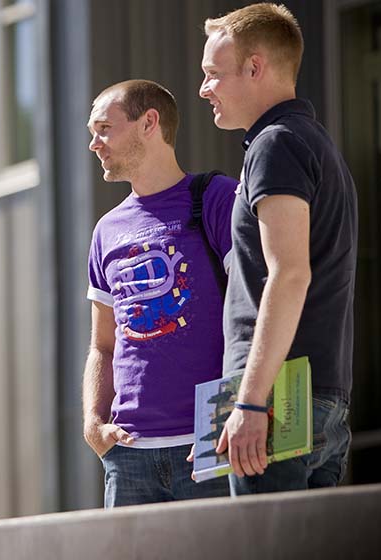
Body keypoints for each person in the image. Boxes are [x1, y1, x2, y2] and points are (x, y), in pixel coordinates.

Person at [198, 3, 357, 494]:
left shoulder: (276, 145)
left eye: (213, 74)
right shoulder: (314, 144)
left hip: (277, 399)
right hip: (311, 396)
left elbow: (289, 274)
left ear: (255, 67)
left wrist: (247, 403)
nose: (205, 88)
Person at [82, 79, 237, 507]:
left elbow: (258, 308)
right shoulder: (105, 230)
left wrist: (244, 411)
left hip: (210, 444)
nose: (95, 143)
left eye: (104, 129)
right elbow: (102, 344)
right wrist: (94, 424)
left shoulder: (217, 198)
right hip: (128, 456)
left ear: (149, 122)